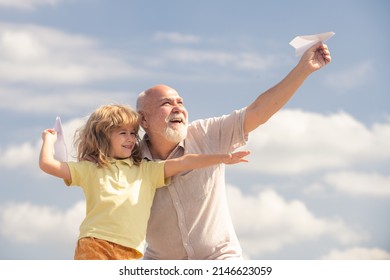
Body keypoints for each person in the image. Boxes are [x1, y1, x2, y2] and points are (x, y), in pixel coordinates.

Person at [136, 42, 332, 260]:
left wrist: (303, 69)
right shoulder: (128, 159)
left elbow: (258, 111)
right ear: (144, 119)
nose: (178, 108)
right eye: (166, 103)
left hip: (221, 261)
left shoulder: (207, 133)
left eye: (180, 102)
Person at [39, 104, 250, 260]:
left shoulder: (146, 170)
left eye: (133, 133)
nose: (131, 138)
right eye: (123, 133)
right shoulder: (90, 169)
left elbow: (185, 161)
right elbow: (48, 164)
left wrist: (222, 157)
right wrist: (49, 140)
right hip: (95, 244)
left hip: (131, 252)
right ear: (103, 137)